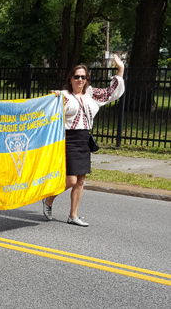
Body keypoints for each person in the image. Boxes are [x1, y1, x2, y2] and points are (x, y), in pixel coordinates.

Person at [42, 54, 125, 227]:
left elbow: (112, 93)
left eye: (83, 77)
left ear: (87, 79)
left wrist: (120, 69)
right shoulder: (63, 95)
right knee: (71, 180)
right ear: (70, 79)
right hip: (68, 139)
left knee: (80, 180)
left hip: (83, 139)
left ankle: (73, 215)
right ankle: (48, 200)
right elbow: (49, 108)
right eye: (77, 77)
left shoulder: (92, 94)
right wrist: (54, 96)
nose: (80, 80)